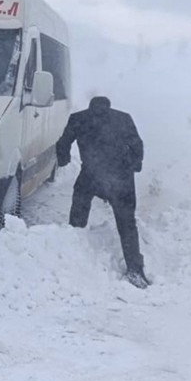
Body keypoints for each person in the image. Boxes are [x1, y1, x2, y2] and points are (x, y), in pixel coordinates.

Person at [55, 95, 149, 288]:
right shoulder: (123, 118)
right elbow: (137, 145)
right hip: (121, 178)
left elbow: (63, 143)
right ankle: (134, 269)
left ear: (91, 107)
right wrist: (135, 164)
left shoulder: (79, 118)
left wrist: (63, 159)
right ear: (109, 107)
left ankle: (73, 250)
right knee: (127, 223)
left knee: (79, 207)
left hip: (91, 174)